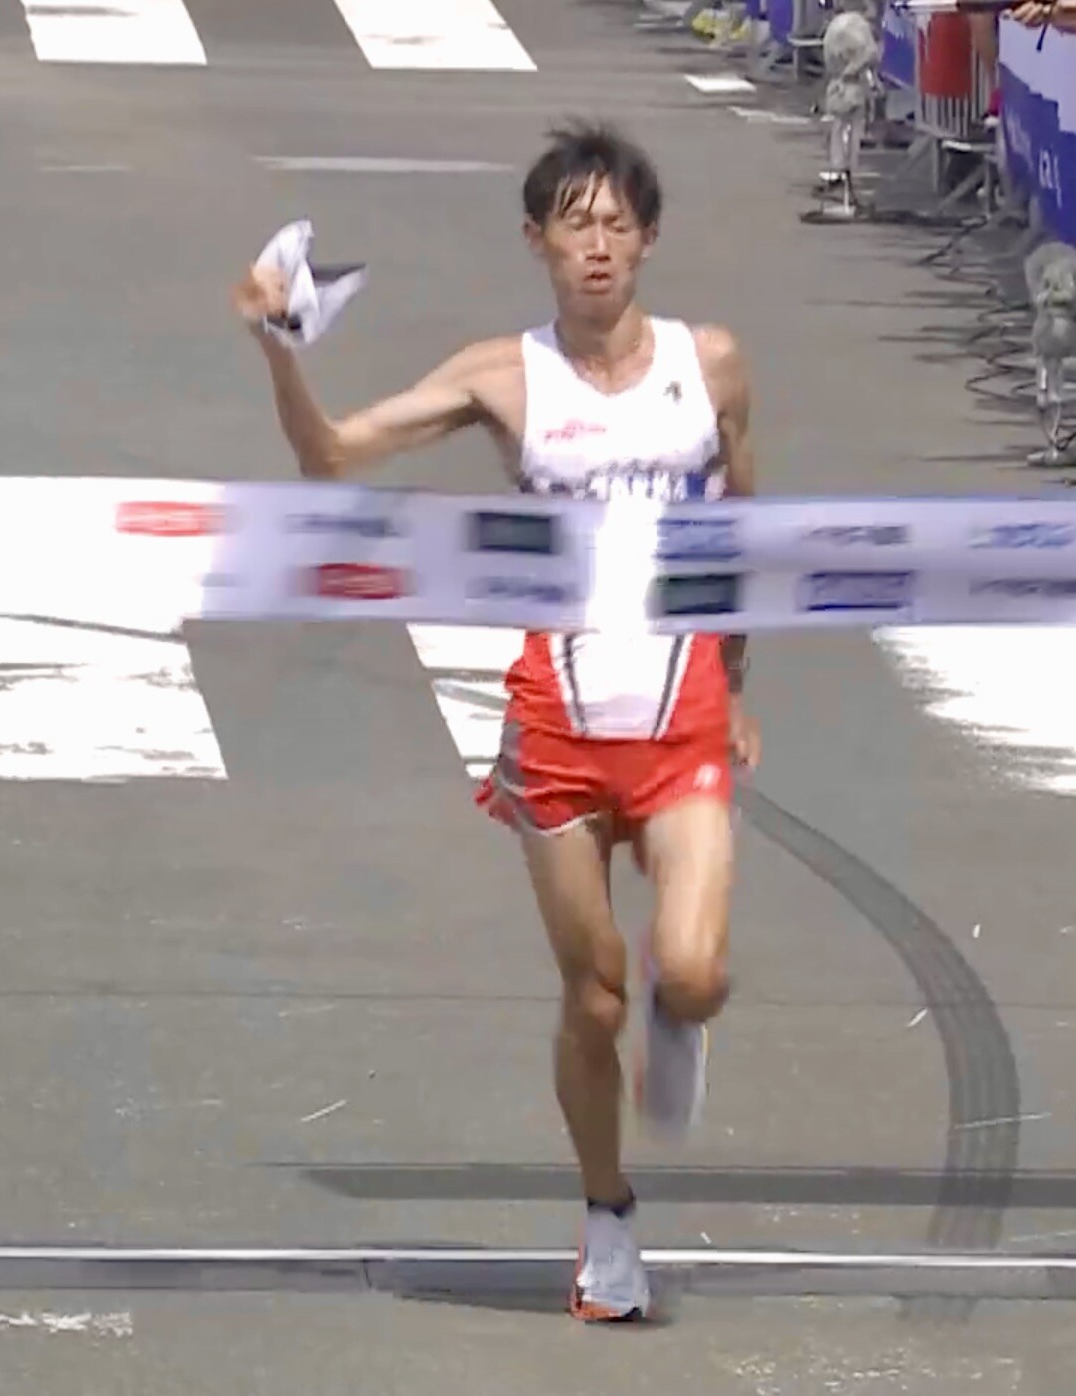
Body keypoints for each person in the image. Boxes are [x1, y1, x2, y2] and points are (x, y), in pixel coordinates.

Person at [232, 120, 760, 1323]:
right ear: (536, 241)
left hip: (681, 722)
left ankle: (681, 1013)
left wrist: (738, 683)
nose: (597, 246)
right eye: (575, 226)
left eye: (616, 225)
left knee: (692, 972)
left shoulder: (713, 365)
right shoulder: (501, 377)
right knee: (595, 994)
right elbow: (331, 457)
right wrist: (278, 346)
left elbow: (747, 529)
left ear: (648, 239)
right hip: (556, 732)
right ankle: (607, 1218)